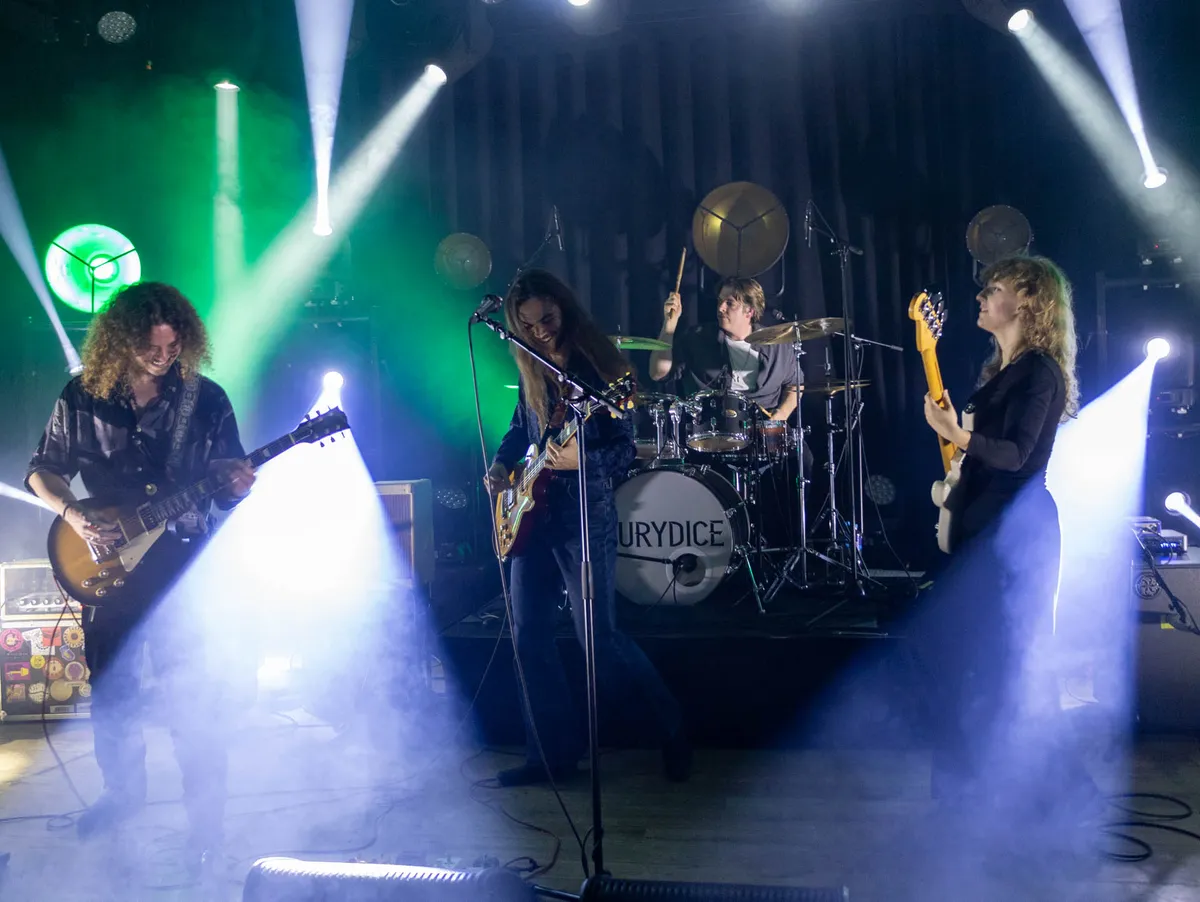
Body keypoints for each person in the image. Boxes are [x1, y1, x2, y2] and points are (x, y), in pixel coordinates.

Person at [26, 282, 254, 869]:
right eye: (152, 348)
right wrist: (74, 516)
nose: (163, 357)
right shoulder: (84, 396)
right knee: (113, 692)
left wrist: (236, 488)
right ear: (122, 340)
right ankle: (122, 796)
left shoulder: (206, 399)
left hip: (184, 567)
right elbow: (42, 471)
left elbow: (225, 487)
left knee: (194, 696)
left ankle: (207, 823)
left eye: (173, 348)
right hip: (108, 567)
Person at [484, 269, 690, 786]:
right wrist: (503, 466)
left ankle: (672, 727)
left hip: (584, 513)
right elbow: (520, 428)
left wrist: (584, 461)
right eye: (528, 325)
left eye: (547, 318)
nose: (541, 331)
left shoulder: (600, 367)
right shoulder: (532, 366)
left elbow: (624, 450)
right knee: (528, 634)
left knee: (599, 637)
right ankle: (550, 756)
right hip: (532, 514)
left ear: (564, 309)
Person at [918, 255, 1097, 833]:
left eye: (992, 288)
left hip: (1016, 533)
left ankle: (1031, 801)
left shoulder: (1040, 372)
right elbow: (983, 452)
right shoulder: (1002, 369)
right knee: (976, 662)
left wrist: (957, 434)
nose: (979, 297)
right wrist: (956, 437)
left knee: (1007, 664)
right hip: (987, 526)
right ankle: (975, 797)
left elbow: (1017, 455)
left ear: (1026, 302)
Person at [647, 277, 800, 420]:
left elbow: (795, 385)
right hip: (711, 429)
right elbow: (658, 373)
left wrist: (781, 414)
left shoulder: (778, 346)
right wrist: (669, 324)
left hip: (764, 431)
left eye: (730, 303)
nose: (721, 308)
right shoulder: (697, 339)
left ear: (750, 311)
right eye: (720, 301)